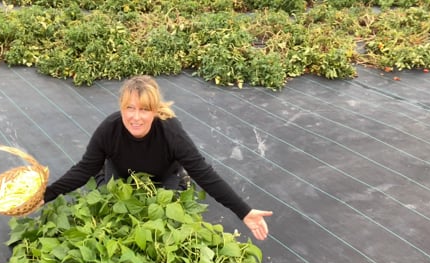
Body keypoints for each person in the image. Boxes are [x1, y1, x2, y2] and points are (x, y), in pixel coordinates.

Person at [43, 75, 272, 240]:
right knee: (111, 212)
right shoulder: (110, 129)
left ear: (155, 110)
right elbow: (84, 169)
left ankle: (177, 187)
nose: (136, 117)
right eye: (130, 108)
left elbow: (204, 173)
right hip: (122, 176)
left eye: (144, 109)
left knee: (165, 223)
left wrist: (244, 212)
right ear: (121, 107)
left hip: (164, 177)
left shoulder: (170, 132)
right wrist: (46, 195)